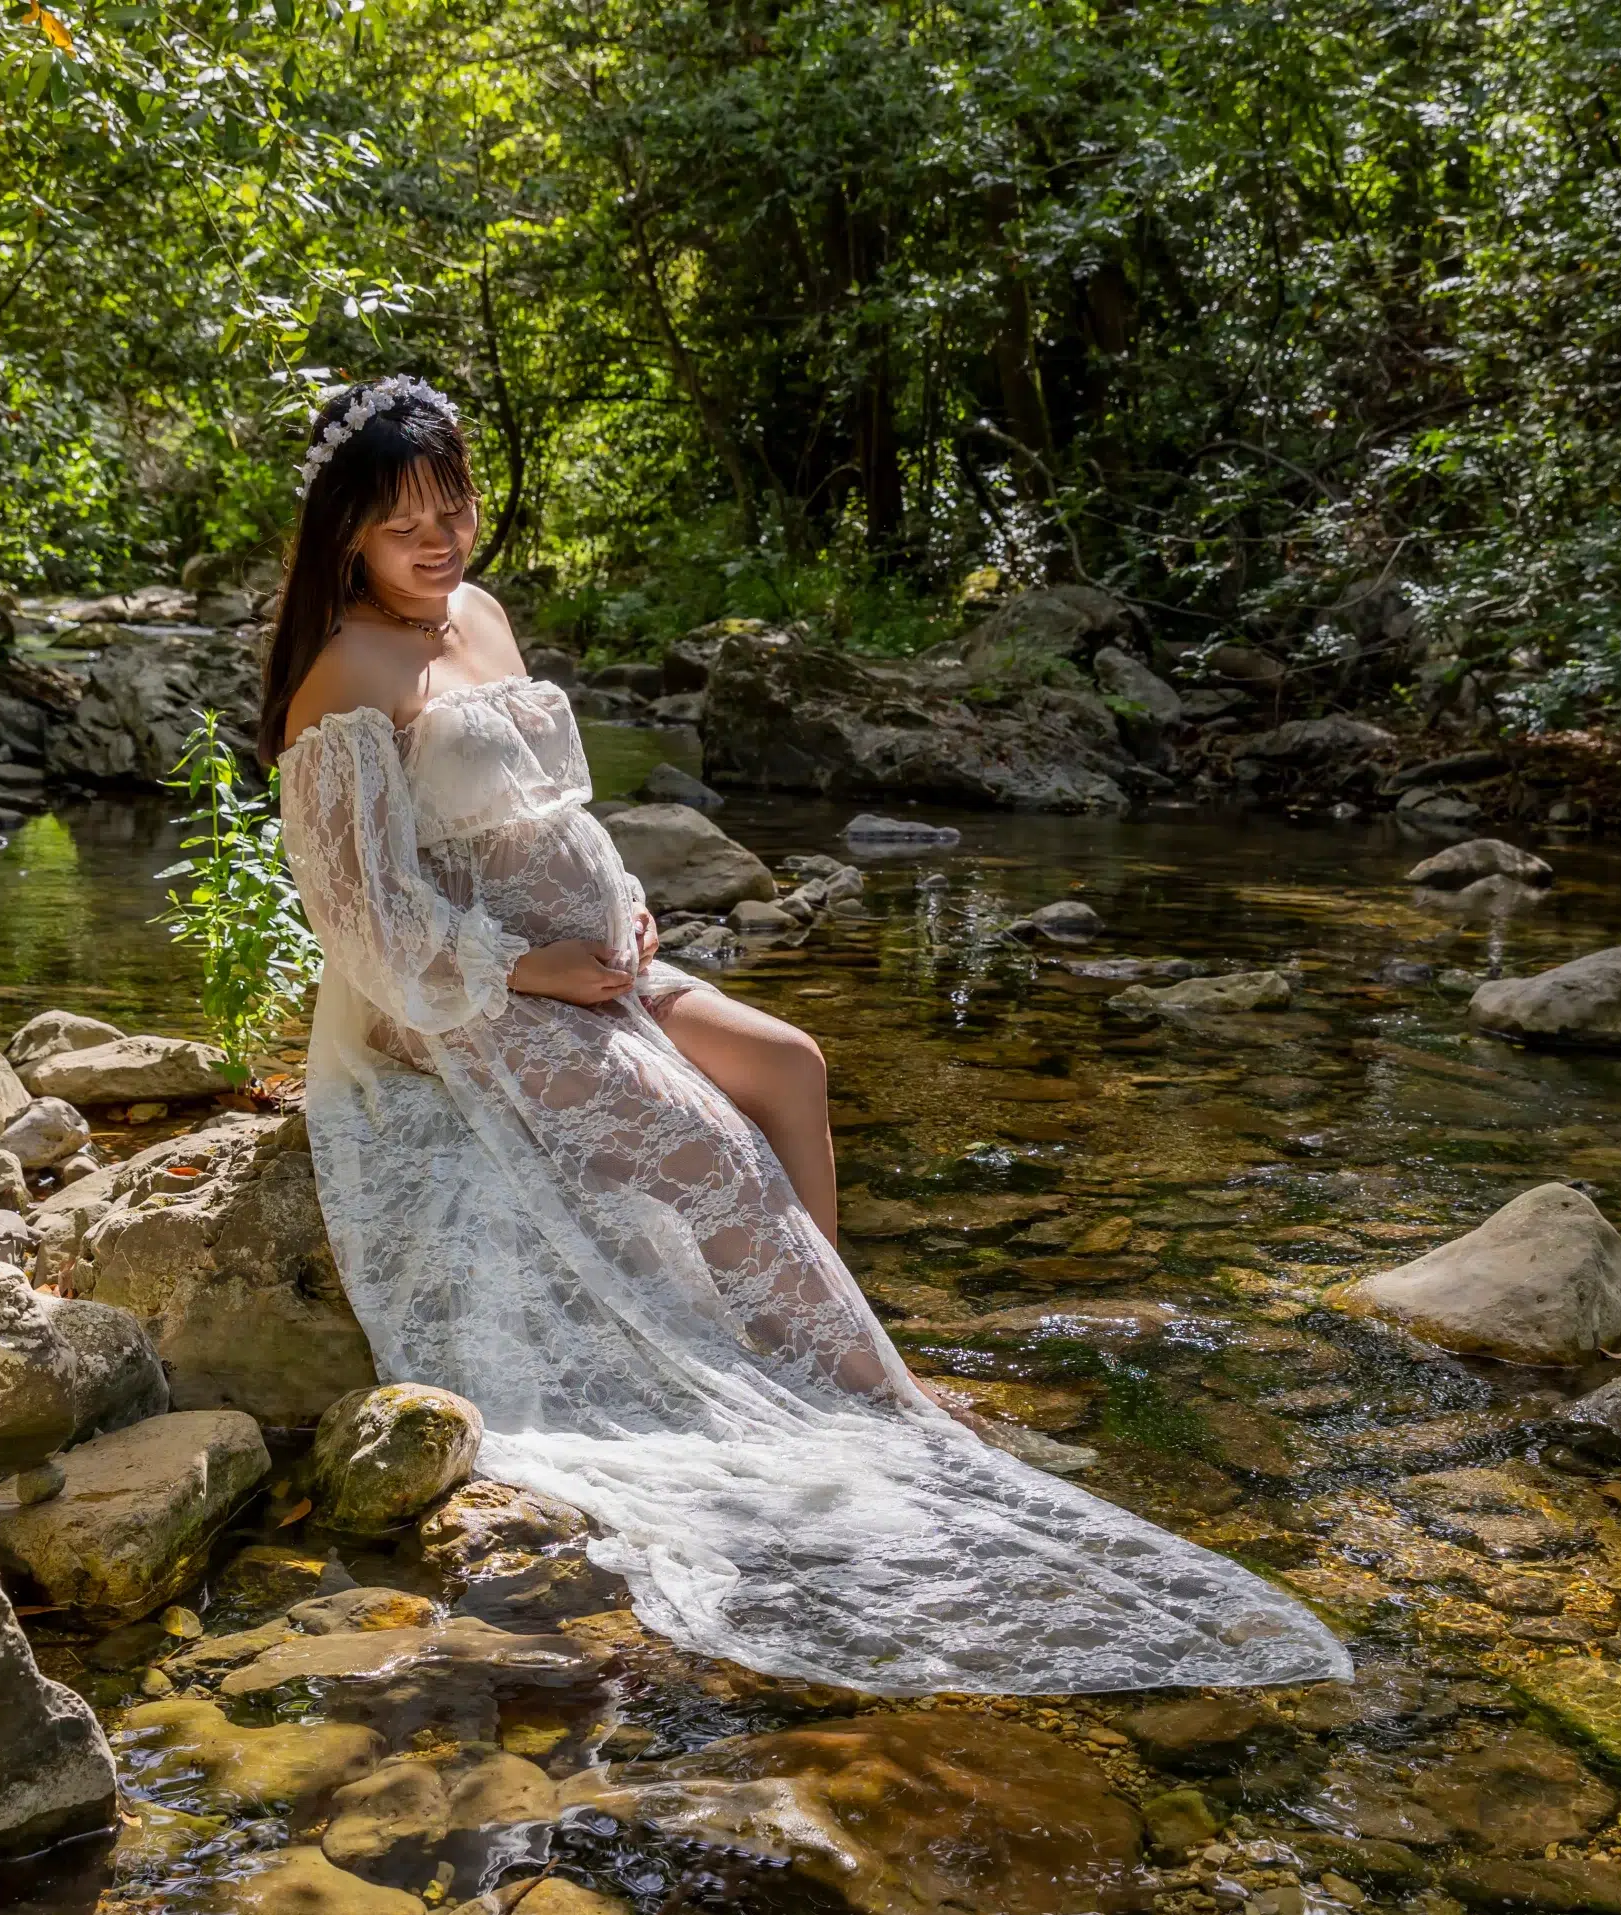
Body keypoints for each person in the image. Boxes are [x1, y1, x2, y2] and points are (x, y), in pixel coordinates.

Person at [262, 373, 1349, 1694]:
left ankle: (838, 1354)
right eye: (403, 525)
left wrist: (627, 906)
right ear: (350, 538)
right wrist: (535, 971)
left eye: (455, 508)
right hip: (465, 1005)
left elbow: (545, 814)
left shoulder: (479, 616)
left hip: (588, 962)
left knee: (790, 1067)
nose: (440, 542)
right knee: (702, 1144)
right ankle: (862, 1404)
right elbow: (364, 922)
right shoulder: (343, 676)